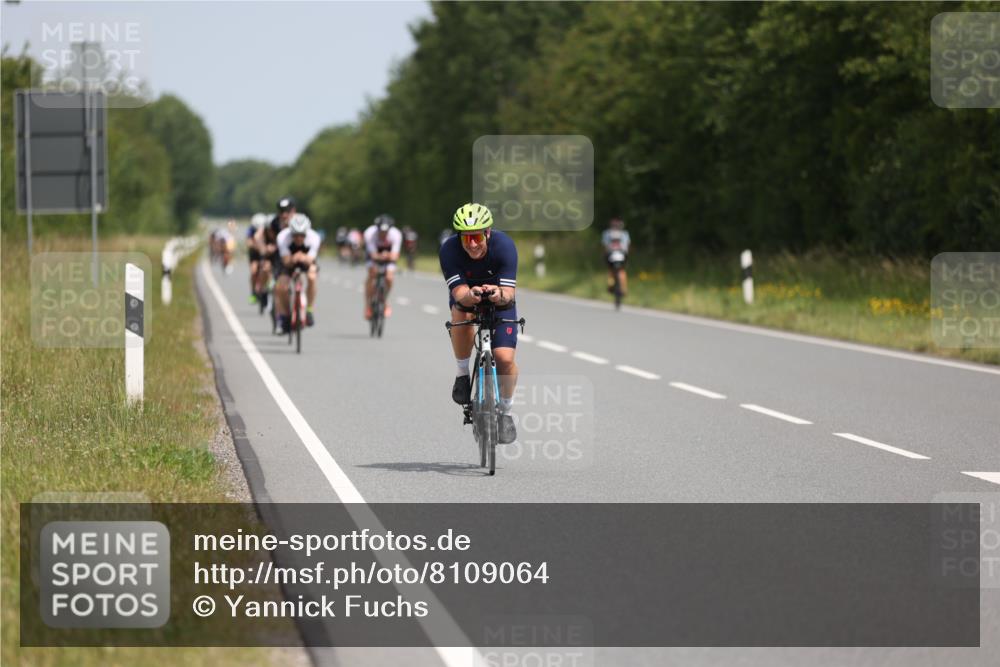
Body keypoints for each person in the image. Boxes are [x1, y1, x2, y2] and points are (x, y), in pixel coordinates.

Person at [439, 203, 519, 444]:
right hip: (466, 298)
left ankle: (505, 411)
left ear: (487, 233)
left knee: (504, 359)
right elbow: (459, 291)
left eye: (476, 237)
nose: (472, 244)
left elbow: (509, 293)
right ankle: (462, 373)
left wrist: (497, 294)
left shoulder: (504, 246)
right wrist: (471, 295)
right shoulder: (449, 250)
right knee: (460, 314)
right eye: (466, 239)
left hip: (500, 301)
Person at [275, 213, 321, 332]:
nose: (299, 238)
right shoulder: (282, 237)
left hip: (306, 261)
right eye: (295, 235)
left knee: (312, 276)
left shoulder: (314, 237)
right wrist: (294, 257)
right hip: (288, 261)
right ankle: (285, 314)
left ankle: (309, 309)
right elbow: (286, 261)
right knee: (281, 287)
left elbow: (310, 260)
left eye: (302, 235)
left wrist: (301, 257)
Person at [255, 197, 297, 307]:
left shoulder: (299, 222)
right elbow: (258, 236)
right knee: (265, 268)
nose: (284, 215)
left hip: (292, 253)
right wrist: (264, 248)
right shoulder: (274, 222)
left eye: (287, 212)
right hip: (276, 252)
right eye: (281, 212)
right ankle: (264, 291)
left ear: (293, 211)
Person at [363, 215, 402, 320]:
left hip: (388, 255)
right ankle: (368, 305)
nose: (383, 234)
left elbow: (395, 255)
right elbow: (372, 254)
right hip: (373, 256)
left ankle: (385, 301)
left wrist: (387, 256)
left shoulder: (396, 234)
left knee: (389, 278)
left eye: (385, 232)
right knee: (372, 273)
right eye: (381, 231)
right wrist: (381, 256)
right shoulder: (370, 233)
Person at [601, 217, 631, 297]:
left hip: (610, 254)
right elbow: (627, 246)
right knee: (622, 271)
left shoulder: (607, 233)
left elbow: (605, 246)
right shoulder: (624, 233)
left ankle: (610, 285)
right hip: (622, 254)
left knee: (611, 270)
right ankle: (624, 289)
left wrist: (605, 256)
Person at [247, 213, 269, 305]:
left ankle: (265, 289)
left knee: (267, 269)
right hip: (255, 254)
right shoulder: (250, 230)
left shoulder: (267, 230)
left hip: (265, 254)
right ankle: (253, 292)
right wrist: (259, 247)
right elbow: (249, 243)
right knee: (253, 271)